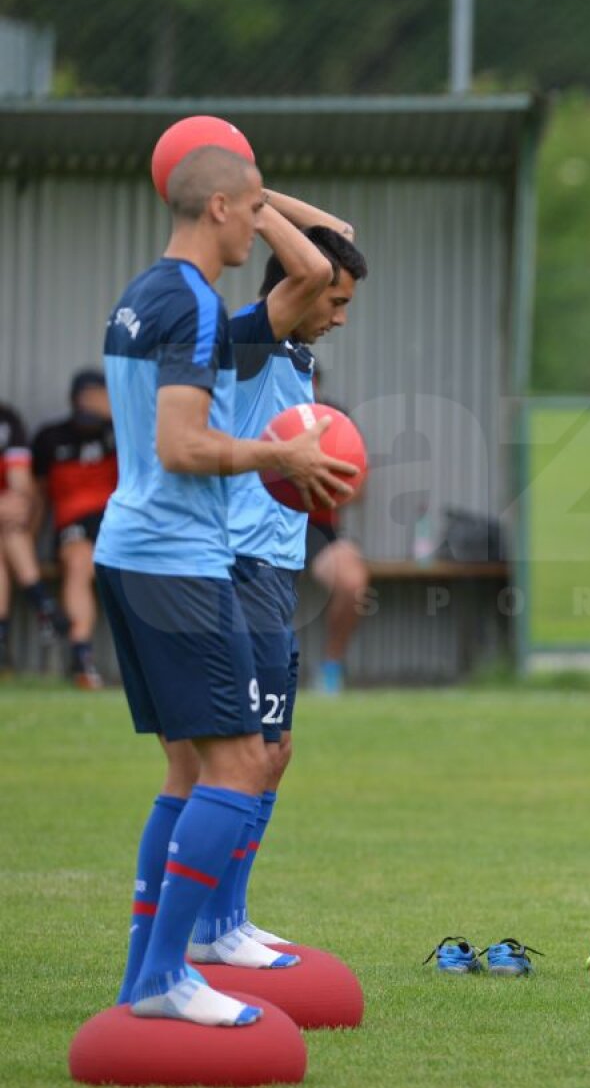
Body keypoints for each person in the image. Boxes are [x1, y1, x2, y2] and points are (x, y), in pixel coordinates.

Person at [95, 144, 358, 1026]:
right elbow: (182, 445)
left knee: (198, 766)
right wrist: (279, 454)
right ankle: (179, 962)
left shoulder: (143, 295)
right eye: (250, 211)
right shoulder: (205, 311)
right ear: (219, 210)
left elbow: (329, 247)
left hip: (144, 550)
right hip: (182, 557)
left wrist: (244, 181)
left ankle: (151, 973)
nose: (262, 226)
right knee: (243, 762)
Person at [185, 203, 367, 964]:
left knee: (276, 747)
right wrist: (253, 203)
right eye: (334, 301)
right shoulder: (253, 340)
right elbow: (317, 263)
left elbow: (340, 238)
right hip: (234, 563)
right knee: (248, 752)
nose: (339, 314)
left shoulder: (292, 355)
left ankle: (228, 916)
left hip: (272, 568)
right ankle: (211, 926)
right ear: (296, 290)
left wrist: (264, 197)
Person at [31, 368, 119, 688]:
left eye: (100, 398)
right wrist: (29, 541)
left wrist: (114, 414)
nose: (92, 405)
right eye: (87, 398)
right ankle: (82, 657)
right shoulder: (50, 437)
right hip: (73, 525)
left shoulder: (120, 431)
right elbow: (38, 496)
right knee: (79, 561)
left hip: (116, 522)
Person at [307, 370, 371, 696]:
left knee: (353, 583)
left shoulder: (335, 423)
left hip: (317, 529)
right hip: (259, 528)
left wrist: (317, 485)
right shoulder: (257, 414)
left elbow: (358, 490)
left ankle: (331, 669)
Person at [0, 401, 71, 672]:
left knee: (10, 531)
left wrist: (17, 505)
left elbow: (22, 487)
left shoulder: (6, 418)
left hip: (7, 525)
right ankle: (42, 602)